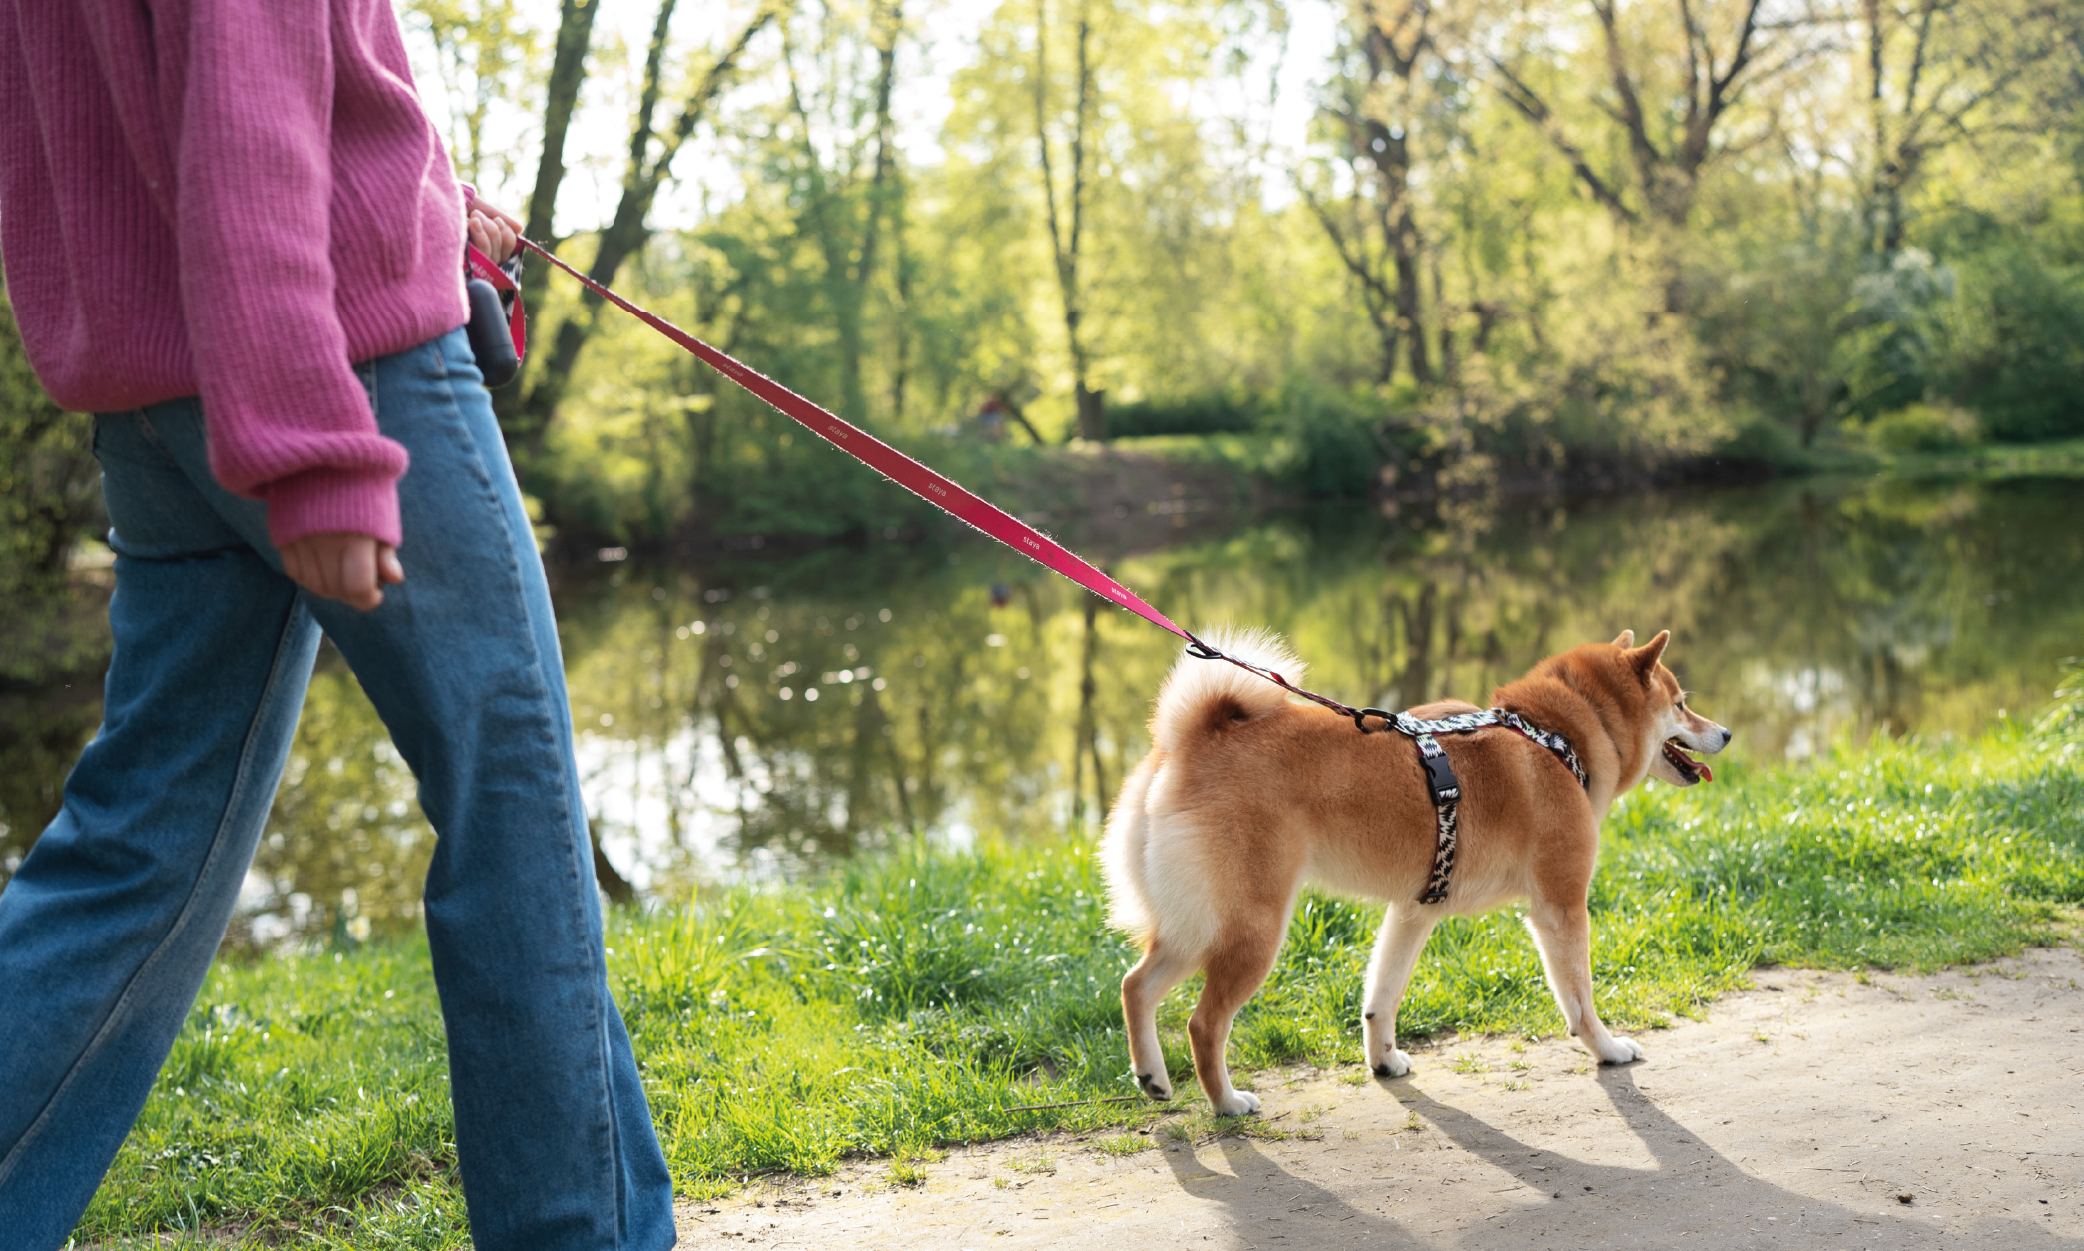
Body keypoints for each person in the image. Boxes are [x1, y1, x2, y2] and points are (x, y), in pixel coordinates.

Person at [0, 4, 676, 1249]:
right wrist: (308, 442)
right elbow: (248, 114)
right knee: (511, 804)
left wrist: (412, 184)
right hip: (339, 369)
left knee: (139, 845)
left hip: (151, 390)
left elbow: (181, 95)